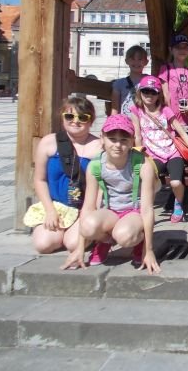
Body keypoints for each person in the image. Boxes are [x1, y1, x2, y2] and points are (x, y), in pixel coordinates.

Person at [61, 114, 161, 274]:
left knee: (124, 235)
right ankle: (105, 241)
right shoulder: (95, 165)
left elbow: (147, 209)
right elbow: (88, 207)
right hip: (110, 210)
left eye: (124, 140)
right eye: (112, 139)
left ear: (132, 141)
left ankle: (139, 242)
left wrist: (148, 250)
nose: (117, 145)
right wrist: (80, 248)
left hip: (134, 211)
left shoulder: (142, 164)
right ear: (102, 138)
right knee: (87, 226)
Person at [31, 97, 102, 253]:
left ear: (91, 121)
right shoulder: (48, 142)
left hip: (84, 207)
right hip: (56, 206)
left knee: (73, 244)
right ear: (62, 118)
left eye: (82, 117)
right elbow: (39, 179)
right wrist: (50, 210)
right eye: (69, 116)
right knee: (44, 245)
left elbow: (102, 185)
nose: (75, 121)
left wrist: (91, 212)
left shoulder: (99, 147)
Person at [130, 76, 188, 223]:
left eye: (153, 92)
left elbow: (181, 132)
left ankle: (178, 204)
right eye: (145, 91)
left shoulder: (165, 110)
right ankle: (145, 209)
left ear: (158, 94)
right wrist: (139, 156)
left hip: (173, 152)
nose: (149, 95)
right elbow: (137, 135)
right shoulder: (136, 110)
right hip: (152, 154)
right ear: (140, 92)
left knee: (176, 183)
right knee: (148, 179)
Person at [159, 33, 188, 125]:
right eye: (178, 47)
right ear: (171, 50)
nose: (182, 50)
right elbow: (166, 96)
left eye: (185, 47)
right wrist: (170, 118)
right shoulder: (166, 69)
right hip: (174, 120)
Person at [111, 45, 149, 116]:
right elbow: (115, 109)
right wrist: (113, 121)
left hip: (144, 121)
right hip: (125, 121)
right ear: (126, 61)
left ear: (146, 62)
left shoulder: (150, 81)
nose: (136, 62)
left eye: (140, 59)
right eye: (133, 59)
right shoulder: (119, 84)